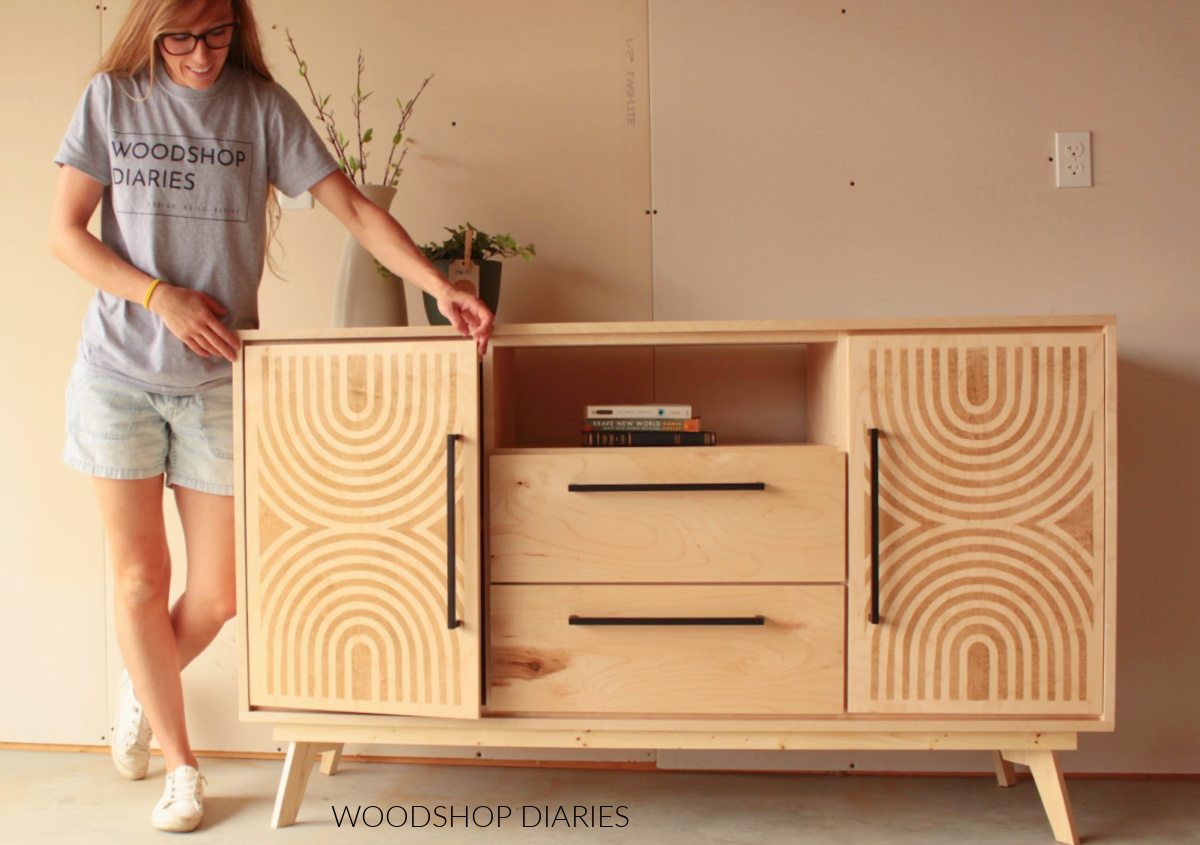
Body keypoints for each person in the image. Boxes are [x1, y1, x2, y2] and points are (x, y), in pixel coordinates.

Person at [47, 0, 493, 832]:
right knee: (142, 578)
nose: (198, 54)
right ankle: (183, 767)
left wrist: (442, 289)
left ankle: (147, 677)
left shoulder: (261, 107)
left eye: (215, 33)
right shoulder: (112, 98)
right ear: (153, 30)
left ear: (235, 24)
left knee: (220, 592)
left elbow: (354, 210)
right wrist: (158, 296)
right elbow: (65, 234)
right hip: (118, 375)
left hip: (219, 381)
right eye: (179, 37)